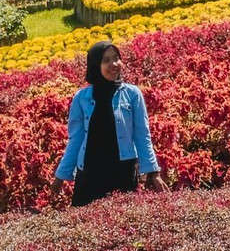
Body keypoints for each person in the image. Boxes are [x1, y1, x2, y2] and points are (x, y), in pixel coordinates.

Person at [52, 40, 166, 206]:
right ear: (95, 64)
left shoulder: (133, 94)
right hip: (90, 175)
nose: (114, 64)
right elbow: (75, 140)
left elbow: (142, 135)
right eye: (106, 60)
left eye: (117, 58)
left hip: (122, 174)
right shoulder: (81, 98)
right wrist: (61, 176)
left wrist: (153, 172)